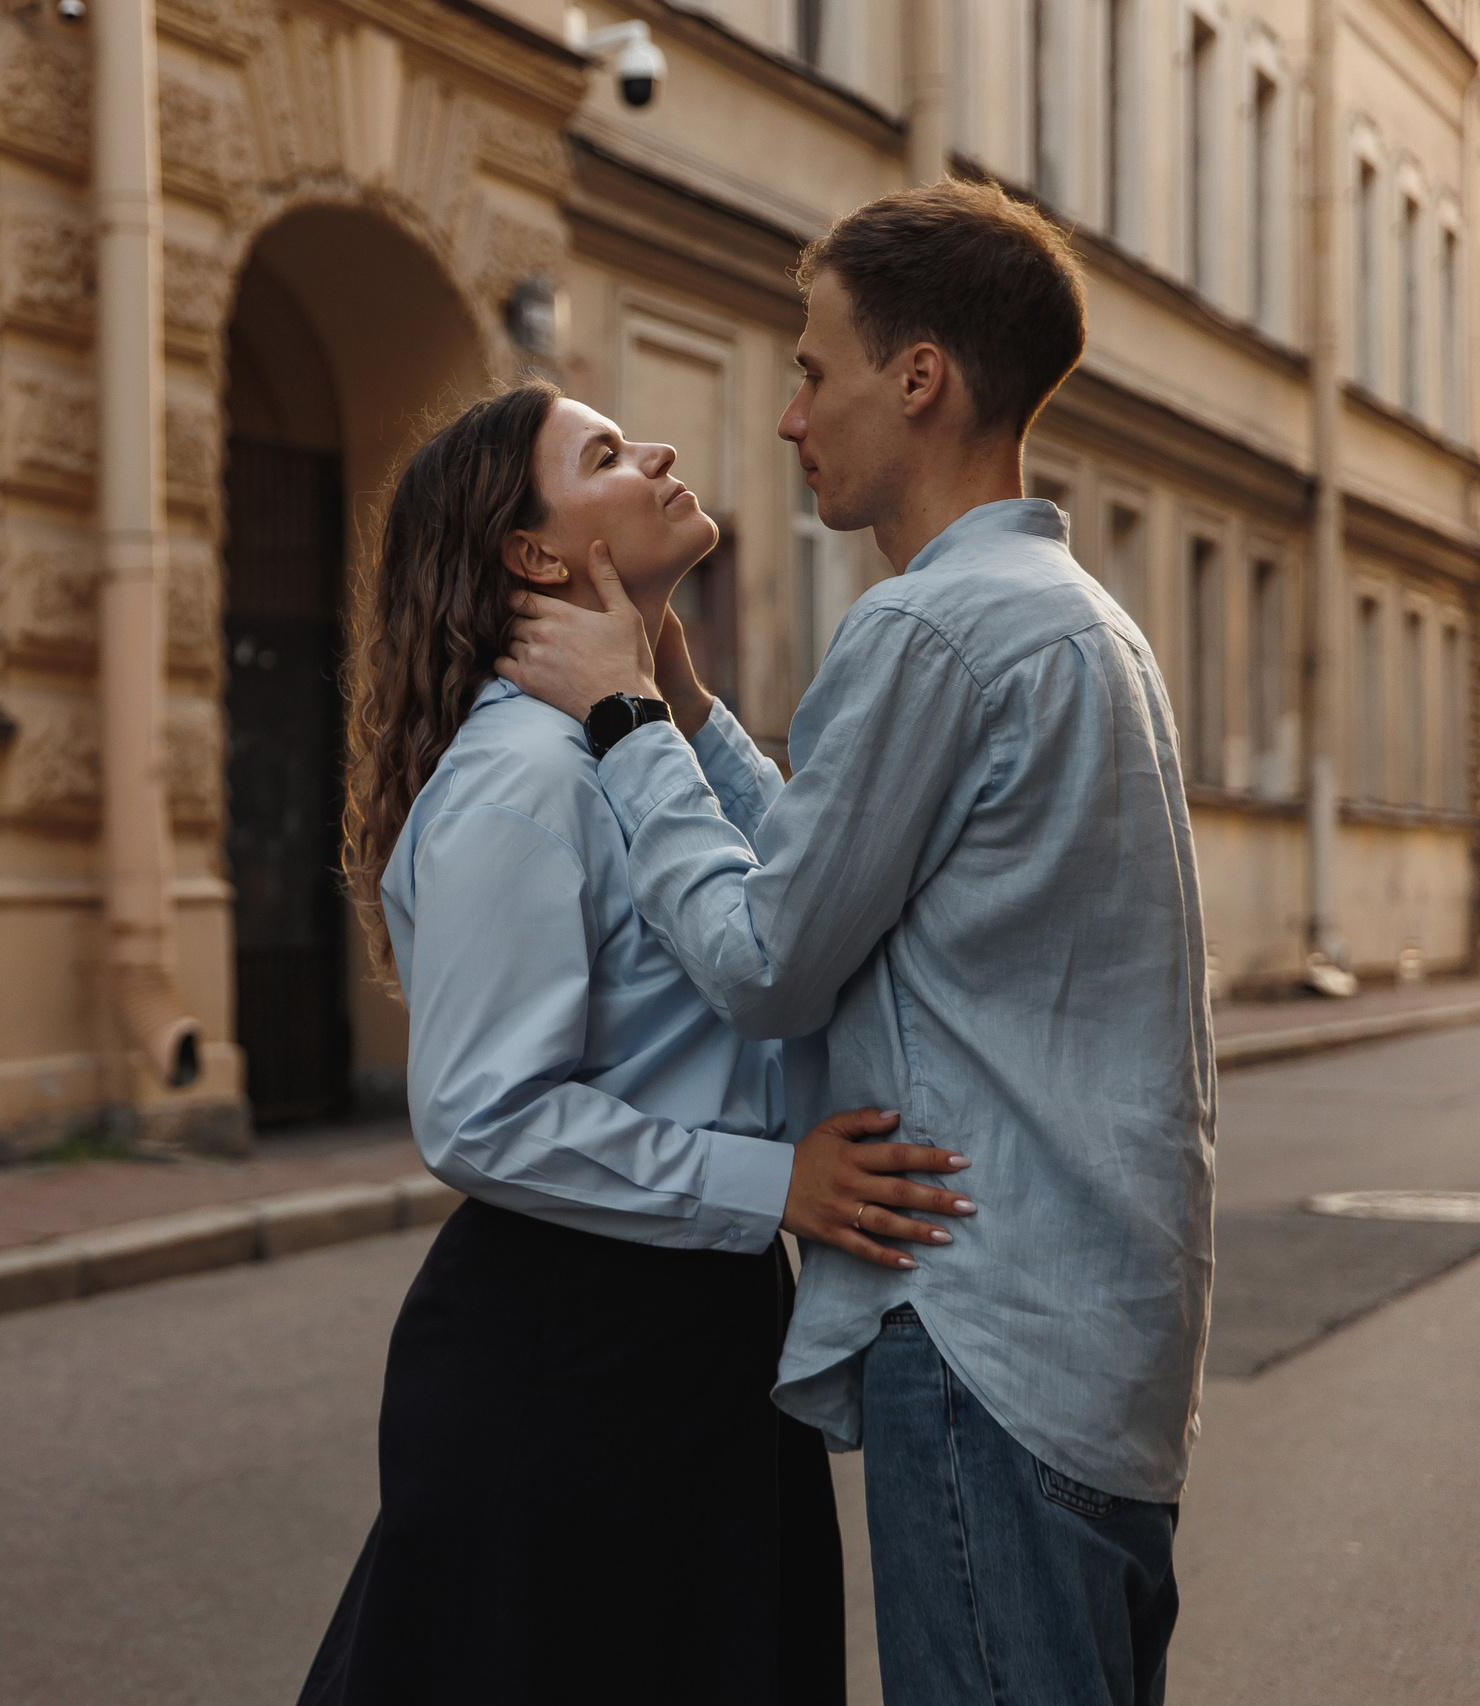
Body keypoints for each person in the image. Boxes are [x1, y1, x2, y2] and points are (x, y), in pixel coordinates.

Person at [500, 179, 1215, 1706]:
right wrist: (691, 709)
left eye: (812, 366)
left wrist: (622, 719)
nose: (786, 415)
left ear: (920, 376)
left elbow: (768, 956)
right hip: (1102, 1344)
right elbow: (852, 860)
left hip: (981, 1333)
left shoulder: (926, 630)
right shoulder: (1079, 618)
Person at [297, 378, 978, 1706]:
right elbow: (482, 1115)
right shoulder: (524, 777)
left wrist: (673, 699)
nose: (658, 450)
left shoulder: (616, 746)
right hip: (572, 1347)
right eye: (605, 452)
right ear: (537, 556)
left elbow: (793, 909)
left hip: (693, 1329)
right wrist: (773, 1182)